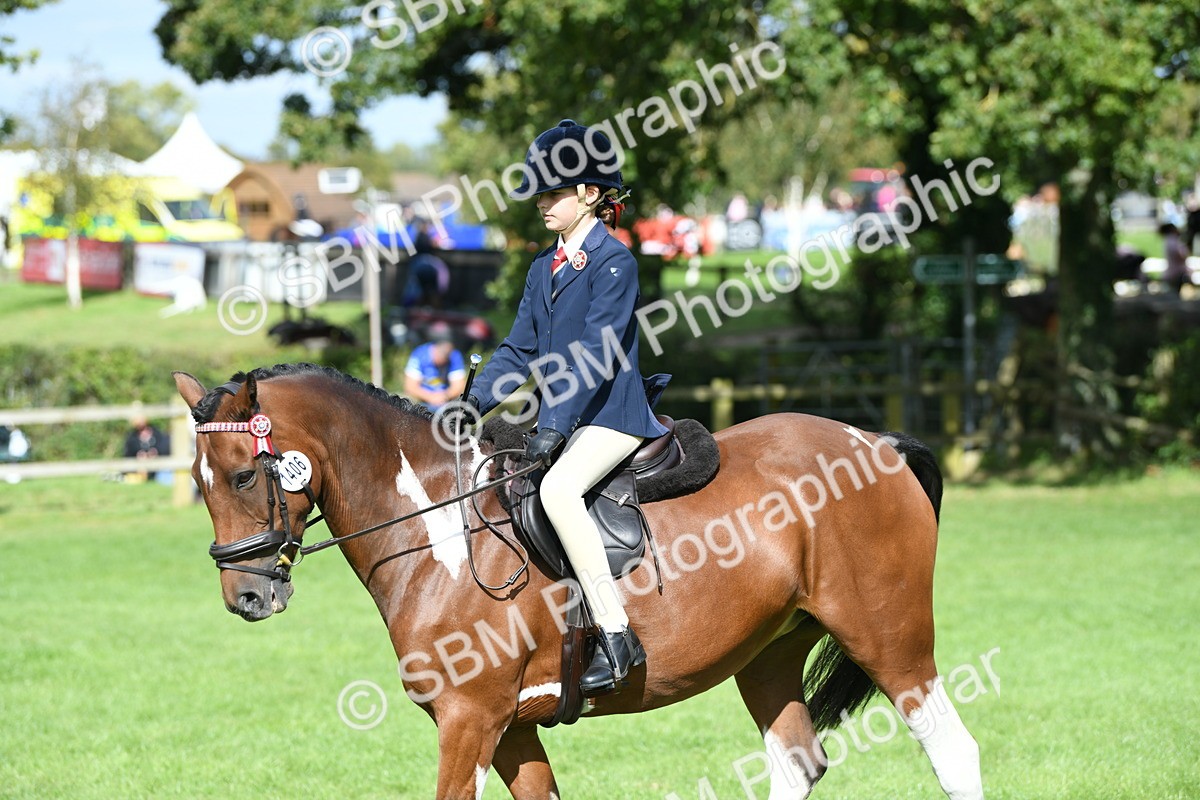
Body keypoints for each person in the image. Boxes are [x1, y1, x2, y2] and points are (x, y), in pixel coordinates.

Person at [466, 119, 670, 696]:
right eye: (540, 194)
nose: (543, 204)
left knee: (557, 490)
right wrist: (474, 403)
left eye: (554, 193)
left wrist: (552, 426)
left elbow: (596, 353)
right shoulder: (542, 267)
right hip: (567, 415)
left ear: (590, 194)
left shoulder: (615, 262)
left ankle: (616, 634)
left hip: (614, 415)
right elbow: (519, 349)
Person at [404, 323, 466, 411]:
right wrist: (430, 397)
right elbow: (410, 387)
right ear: (434, 348)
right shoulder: (419, 354)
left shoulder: (454, 356)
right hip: (421, 400)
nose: (445, 359)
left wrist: (445, 396)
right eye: (442, 355)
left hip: (445, 401)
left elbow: (459, 386)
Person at [123, 415, 169, 482]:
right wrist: (138, 456)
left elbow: (166, 449)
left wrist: (156, 452)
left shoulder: (157, 433)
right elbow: (127, 455)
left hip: (157, 465)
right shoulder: (131, 438)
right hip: (139, 467)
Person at [1159, 222, 1191, 294]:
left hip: (1172, 272)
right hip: (1176, 272)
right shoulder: (1173, 241)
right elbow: (1181, 255)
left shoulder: (1168, 241)